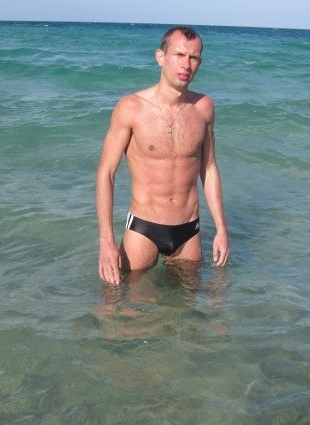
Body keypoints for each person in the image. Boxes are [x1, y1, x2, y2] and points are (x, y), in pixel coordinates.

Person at [96, 26, 229, 285]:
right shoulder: (131, 108)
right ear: (160, 57)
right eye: (179, 55)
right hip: (143, 229)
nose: (186, 65)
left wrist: (222, 228)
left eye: (194, 57)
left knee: (187, 306)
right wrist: (106, 242)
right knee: (121, 303)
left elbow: (209, 168)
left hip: (189, 230)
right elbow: (106, 173)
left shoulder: (204, 108)